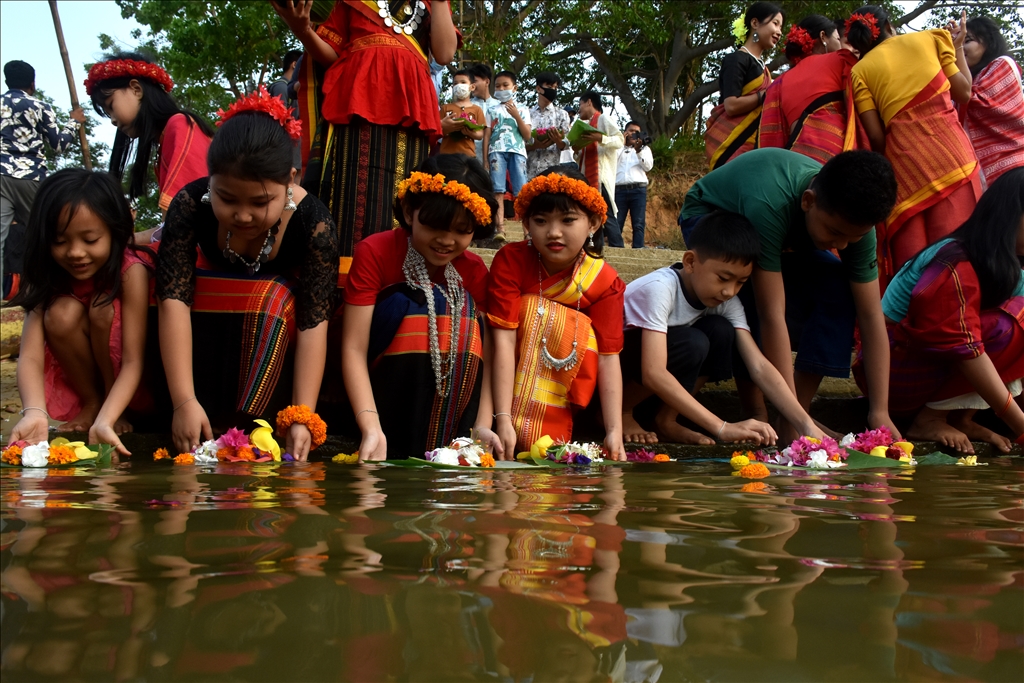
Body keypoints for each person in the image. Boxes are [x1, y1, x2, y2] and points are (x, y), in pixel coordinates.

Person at [156, 87, 339, 461]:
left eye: (260, 202)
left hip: (272, 333)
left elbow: (313, 321)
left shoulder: (314, 222)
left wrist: (302, 414)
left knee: (270, 299)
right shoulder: (189, 204)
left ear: (291, 179)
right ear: (210, 180)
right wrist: (183, 401)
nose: (242, 216)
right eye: (226, 199)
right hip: (203, 327)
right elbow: (172, 299)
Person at [678, 148, 900, 441]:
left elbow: (871, 315)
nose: (843, 245)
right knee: (745, 285)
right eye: (835, 233)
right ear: (809, 201)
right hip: (714, 218)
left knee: (839, 288)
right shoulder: (771, 203)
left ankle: (798, 413)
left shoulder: (853, 222)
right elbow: (772, 314)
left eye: (853, 238)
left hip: (789, 236)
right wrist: (791, 417)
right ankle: (764, 411)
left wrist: (879, 412)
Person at [341, 155, 500, 460]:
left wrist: (482, 424)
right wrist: (371, 426)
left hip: (453, 406)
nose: (446, 240)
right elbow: (353, 348)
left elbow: (489, 359)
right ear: (409, 211)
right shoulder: (375, 252)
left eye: (461, 230)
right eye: (434, 225)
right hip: (381, 396)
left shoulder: (475, 271)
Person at [855, 167, 1024, 453]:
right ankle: (930, 419)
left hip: (933, 370)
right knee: (1008, 326)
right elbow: (962, 346)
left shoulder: (1009, 266)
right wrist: (1020, 426)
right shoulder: (956, 259)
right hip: (889, 373)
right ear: (1010, 217)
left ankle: (960, 418)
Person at [272, 0, 458, 257]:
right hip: (357, 98)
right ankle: (343, 281)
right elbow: (333, 53)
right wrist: (301, 29)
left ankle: (397, 282)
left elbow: (445, 54)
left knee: (405, 197)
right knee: (350, 197)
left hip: (413, 105)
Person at [620, 211, 823, 445]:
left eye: (740, 282)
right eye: (723, 278)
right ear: (690, 262)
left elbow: (758, 365)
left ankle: (666, 419)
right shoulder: (660, 289)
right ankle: (623, 412)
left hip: (655, 376)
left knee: (720, 331)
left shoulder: (727, 303)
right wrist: (721, 427)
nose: (730, 291)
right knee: (692, 343)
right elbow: (653, 372)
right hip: (614, 372)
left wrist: (806, 424)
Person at [9, 169, 153, 455]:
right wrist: (34, 412)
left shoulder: (131, 271)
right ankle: (92, 403)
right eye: (60, 242)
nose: (75, 253)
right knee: (60, 313)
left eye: (89, 240)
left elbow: (133, 361)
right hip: (90, 377)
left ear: (115, 232)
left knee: (102, 307)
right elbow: (30, 355)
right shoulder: (47, 273)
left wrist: (108, 419)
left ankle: (110, 410)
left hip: (138, 384)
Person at [487, 166, 626, 460]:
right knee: (532, 312)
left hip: (574, 393)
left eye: (568, 220)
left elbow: (608, 357)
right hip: (506, 385)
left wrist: (614, 431)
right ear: (526, 224)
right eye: (540, 221)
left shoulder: (605, 282)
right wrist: (501, 418)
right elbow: (502, 340)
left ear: (594, 223)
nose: (553, 232)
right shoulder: (511, 261)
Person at [847, 7, 981, 288]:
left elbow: (876, 136)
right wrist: (956, 47)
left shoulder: (859, 71)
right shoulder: (931, 38)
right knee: (963, 250)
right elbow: (964, 91)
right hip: (952, 156)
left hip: (905, 171)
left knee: (915, 263)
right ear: (890, 26)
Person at [86, 52, 214, 240]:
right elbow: (168, 227)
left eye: (111, 106)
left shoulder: (179, 125)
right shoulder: (166, 137)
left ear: (136, 89)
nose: (113, 120)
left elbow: (180, 225)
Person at [1, 60, 85, 292]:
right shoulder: (39, 106)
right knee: (45, 233)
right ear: (32, 83)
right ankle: (51, 288)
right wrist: (74, 122)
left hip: (0, 174)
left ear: (7, 81)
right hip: (30, 176)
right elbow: (58, 145)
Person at [759, 16, 860, 165]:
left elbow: (772, 137)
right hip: (835, 156)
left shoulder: (777, 83)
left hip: (795, 165)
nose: (840, 45)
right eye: (838, 39)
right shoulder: (840, 60)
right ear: (823, 37)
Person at [704, 2, 784, 170]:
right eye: (775, 24)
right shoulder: (736, 60)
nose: (779, 32)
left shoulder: (764, 70)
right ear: (755, 23)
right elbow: (731, 106)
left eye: (781, 27)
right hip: (733, 146)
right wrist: (765, 95)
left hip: (755, 146)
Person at [959, 16, 1024, 186]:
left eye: (967, 41)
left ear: (988, 42)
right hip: (985, 179)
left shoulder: (1003, 64)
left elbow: (974, 99)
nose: (960, 47)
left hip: (1015, 168)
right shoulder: (967, 81)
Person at [572, 91, 624, 247]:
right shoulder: (585, 126)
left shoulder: (603, 119)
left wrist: (600, 138)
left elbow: (620, 139)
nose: (579, 109)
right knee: (592, 213)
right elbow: (582, 154)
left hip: (601, 176)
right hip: (586, 176)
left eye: (580, 104)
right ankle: (597, 246)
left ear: (589, 102)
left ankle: (618, 247)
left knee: (605, 211)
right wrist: (576, 151)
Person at [484, 70, 531, 237]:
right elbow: (487, 135)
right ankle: (500, 230)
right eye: (497, 86)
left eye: (505, 85)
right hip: (496, 151)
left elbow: (527, 135)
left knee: (522, 191)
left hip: (517, 151)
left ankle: (527, 232)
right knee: (498, 190)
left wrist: (516, 115)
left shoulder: (523, 109)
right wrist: (485, 159)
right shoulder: (491, 110)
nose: (501, 88)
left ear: (514, 87)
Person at [614, 121, 654, 249]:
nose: (633, 134)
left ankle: (638, 249)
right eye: (630, 131)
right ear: (625, 132)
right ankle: (616, 249)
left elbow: (648, 167)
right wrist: (621, 143)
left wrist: (639, 151)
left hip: (638, 189)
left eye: (636, 132)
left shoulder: (645, 149)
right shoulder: (617, 148)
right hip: (619, 189)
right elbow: (611, 162)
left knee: (638, 222)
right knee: (617, 221)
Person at [525, 71, 570, 179]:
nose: (552, 90)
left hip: (552, 173)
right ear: (539, 88)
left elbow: (567, 144)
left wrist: (558, 140)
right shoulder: (527, 113)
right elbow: (520, 145)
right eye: (549, 86)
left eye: (555, 88)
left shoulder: (562, 114)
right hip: (528, 172)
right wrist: (535, 145)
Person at [268, 48, 304, 175]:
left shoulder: (292, 87)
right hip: (286, 148)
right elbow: (280, 119)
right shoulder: (281, 87)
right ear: (294, 64)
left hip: (296, 148)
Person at [439, 68, 485, 158]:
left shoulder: (477, 109)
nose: (459, 85)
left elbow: (480, 135)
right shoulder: (445, 108)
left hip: (468, 155)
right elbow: (437, 130)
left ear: (472, 87)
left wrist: (469, 133)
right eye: (455, 83)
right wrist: (448, 128)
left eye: (463, 82)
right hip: (446, 155)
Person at [469, 63, 498, 165]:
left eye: (475, 81)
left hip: (495, 161)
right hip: (472, 160)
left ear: (487, 81)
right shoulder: (467, 106)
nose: (471, 85)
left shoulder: (499, 106)